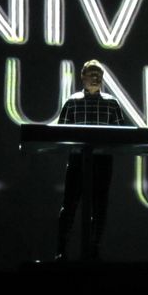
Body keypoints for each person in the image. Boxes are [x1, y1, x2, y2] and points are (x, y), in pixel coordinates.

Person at [55, 59, 126, 261]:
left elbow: (122, 135)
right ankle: (61, 251)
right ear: (82, 77)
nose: (95, 78)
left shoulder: (112, 103)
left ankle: (94, 250)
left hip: (102, 162)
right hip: (78, 160)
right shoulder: (72, 102)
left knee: (100, 206)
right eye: (92, 74)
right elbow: (60, 134)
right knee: (70, 206)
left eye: (99, 75)